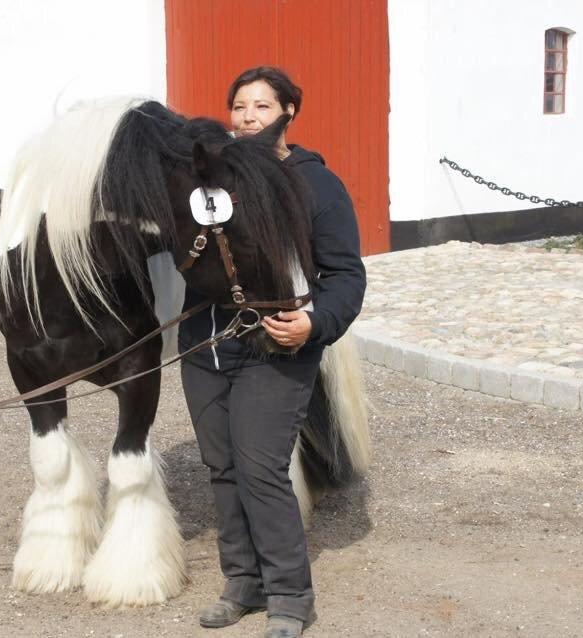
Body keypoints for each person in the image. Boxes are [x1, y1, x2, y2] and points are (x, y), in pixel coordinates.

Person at [179, 66, 367, 638]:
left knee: (261, 467)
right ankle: (242, 582)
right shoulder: (209, 183)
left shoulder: (317, 185)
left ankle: (290, 595)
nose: (248, 117)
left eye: (261, 106)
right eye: (239, 106)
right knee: (223, 467)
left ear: (289, 112)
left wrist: (314, 324)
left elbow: (346, 276)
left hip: (278, 346)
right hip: (205, 343)